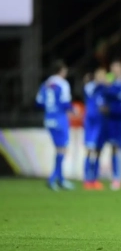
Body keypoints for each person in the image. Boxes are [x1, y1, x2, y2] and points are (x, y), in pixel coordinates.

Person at [35, 60, 74, 191]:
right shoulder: (63, 84)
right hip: (60, 118)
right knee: (62, 149)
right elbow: (65, 103)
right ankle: (52, 179)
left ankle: (61, 180)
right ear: (61, 70)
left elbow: (39, 102)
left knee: (59, 149)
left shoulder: (45, 84)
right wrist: (73, 110)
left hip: (48, 119)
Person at [103, 60, 121, 190]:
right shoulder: (109, 81)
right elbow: (106, 94)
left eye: (117, 67)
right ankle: (115, 177)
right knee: (114, 146)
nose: (115, 69)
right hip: (112, 118)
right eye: (113, 67)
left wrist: (112, 90)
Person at [82, 68, 107, 190]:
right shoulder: (90, 86)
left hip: (101, 123)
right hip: (91, 123)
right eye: (100, 75)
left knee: (98, 150)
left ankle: (95, 179)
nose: (102, 78)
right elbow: (91, 91)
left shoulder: (104, 90)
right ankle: (87, 178)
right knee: (89, 149)